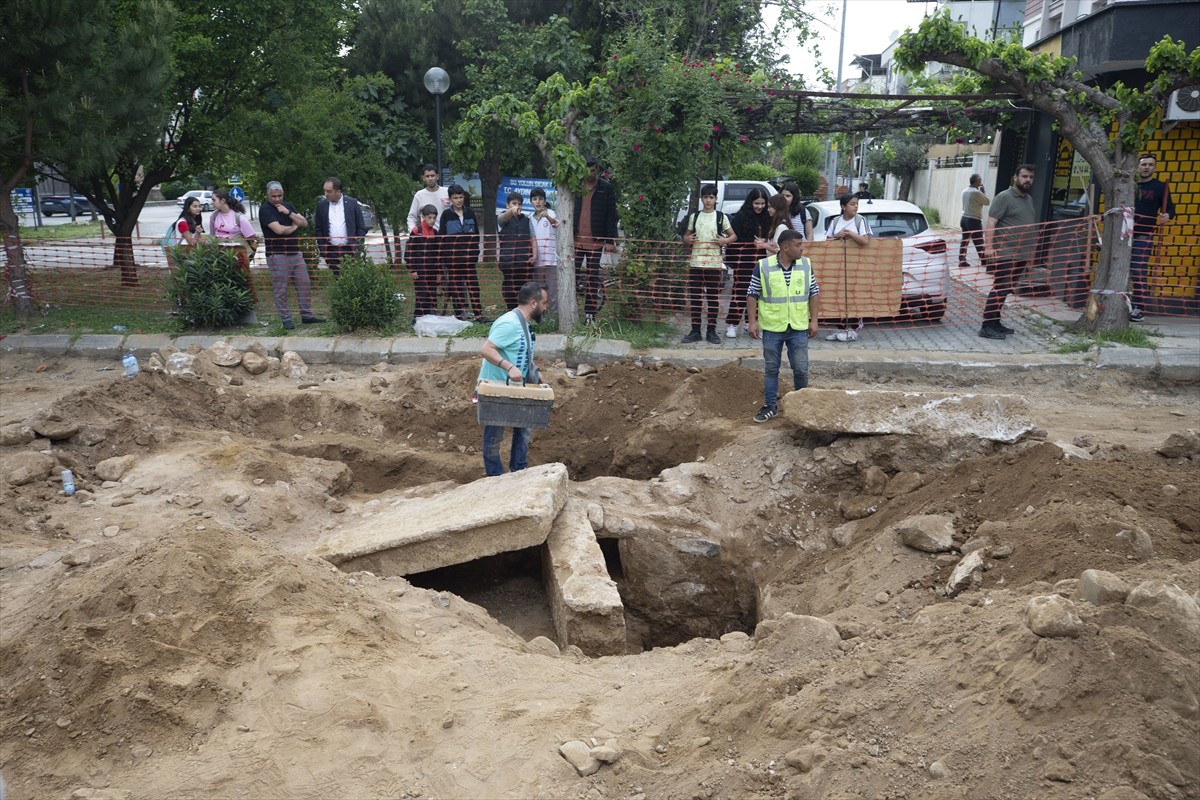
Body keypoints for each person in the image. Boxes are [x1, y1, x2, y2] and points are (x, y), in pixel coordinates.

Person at [477, 282, 550, 476]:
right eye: (544, 303)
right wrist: (508, 367)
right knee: (494, 438)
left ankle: (519, 471)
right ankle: (494, 477)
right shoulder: (509, 324)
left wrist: (536, 373)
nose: (546, 307)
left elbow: (521, 353)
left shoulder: (524, 324)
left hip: (517, 387)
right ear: (533, 303)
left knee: (524, 430)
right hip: (497, 389)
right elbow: (486, 349)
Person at [747, 230, 820, 424]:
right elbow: (752, 294)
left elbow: (814, 292)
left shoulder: (806, 265)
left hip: (797, 326)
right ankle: (771, 407)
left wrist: (814, 320)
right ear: (785, 247)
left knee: (801, 369)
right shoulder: (763, 266)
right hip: (772, 327)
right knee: (771, 369)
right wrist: (752, 322)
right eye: (798, 245)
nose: (802, 248)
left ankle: (802, 405)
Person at [979, 164, 1037, 340]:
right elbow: (991, 223)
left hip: (1021, 255)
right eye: (1024, 176)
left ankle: (995, 322)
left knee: (1006, 289)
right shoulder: (1004, 197)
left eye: (1031, 177)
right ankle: (987, 326)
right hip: (1005, 253)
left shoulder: (1028, 199)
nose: (1028, 180)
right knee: (1000, 287)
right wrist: (988, 248)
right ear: (1015, 177)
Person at [260, 181, 323, 330]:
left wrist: (288, 213)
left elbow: (305, 223)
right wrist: (294, 225)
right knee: (281, 288)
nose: (277, 199)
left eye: (279, 195)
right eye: (273, 196)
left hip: (295, 252)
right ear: (268, 195)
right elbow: (279, 230)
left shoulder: (289, 206)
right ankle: (286, 319)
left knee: (304, 284)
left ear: (283, 194)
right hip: (277, 254)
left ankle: (306, 315)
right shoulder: (265, 209)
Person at [680, 183, 737, 344]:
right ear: (701, 199)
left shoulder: (721, 217)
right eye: (705, 197)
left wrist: (724, 240)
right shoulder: (695, 217)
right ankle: (695, 330)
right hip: (696, 263)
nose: (708, 200)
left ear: (716, 199)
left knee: (713, 298)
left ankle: (711, 331)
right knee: (696, 298)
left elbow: (733, 236)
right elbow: (686, 236)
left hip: (714, 263)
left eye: (711, 197)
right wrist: (687, 239)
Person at [1128, 153, 1175, 322]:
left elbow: (1171, 208)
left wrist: (1167, 216)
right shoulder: (1128, 184)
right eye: (1143, 164)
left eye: (1150, 165)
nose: (1146, 167)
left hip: (1143, 235)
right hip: (1123, 235)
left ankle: (1138, 308)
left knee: (1138, 271)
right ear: (1137, 166)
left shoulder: (1160, 187)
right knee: (1118, 271)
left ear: (1154, 168)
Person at [573, 157, 619, 323]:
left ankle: (590, 314)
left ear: (597, 170)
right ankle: (570, 312)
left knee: (592, 277)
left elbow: (611, 215)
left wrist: (610, 240)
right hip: (576, 240)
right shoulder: (576, 186)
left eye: (593, 170)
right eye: (587, 170)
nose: (590, 174)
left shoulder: (605, 188)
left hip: (596, 241)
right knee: (572, 275)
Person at [824, 193, 873, 343]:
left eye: (857, 204)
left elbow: (865, 240)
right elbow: (827, 241)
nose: (855, 206)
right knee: (838, 296)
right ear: (843, 206)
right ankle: (840, 328)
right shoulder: (835, 221)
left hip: (856, 266)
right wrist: (838, 235)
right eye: (852, 204)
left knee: (853, 296)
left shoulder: (860, 221)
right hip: (838, 265)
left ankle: (853, 328)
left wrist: (851, 234)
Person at [724, 186, 772, 338]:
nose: (759, 207)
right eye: (756, 203)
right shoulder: (741, 217)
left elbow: (771, 237)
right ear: (750, 202)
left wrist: (765, 241)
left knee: (758, 292)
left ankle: (750, 323)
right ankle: (731, 324)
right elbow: (734, 240)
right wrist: (732, 261)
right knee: (740, 291)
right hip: (743, 260)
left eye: (762, 203)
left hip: (761, 260)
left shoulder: (768, 218)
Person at [439, 184, 486, 321]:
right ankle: (459, 314)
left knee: (473, 287)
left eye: (461, 197)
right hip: (453, 260)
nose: (459, 200)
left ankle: (478, 313)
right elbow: (442, 239)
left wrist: (474, 254)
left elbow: (476, 235)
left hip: (469, 259)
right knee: (456, 287)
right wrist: (446, 259)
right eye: (455, 198)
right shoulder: (446, 215)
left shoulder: (470, 213)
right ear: (450, 199)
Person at [209, 188, 260, 311]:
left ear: (222, 200)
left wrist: (249, 256)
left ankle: (248, 303)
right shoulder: (214, 216)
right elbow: (212, 236)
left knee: (242, 279)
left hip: (239, 256)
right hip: (221, 255)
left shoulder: (239, 217)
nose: (212, 202)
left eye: (213, 199)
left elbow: (252, 238)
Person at [315, 177, 368, 278]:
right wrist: (323, 249)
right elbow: (319, 229)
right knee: (338, 279)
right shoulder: (321, 206)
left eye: (329, 191)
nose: (326, 194)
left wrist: (358, 246)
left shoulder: (352, 203)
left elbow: (360, 226)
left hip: (350, 249)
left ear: (338, 191)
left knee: (353, 278)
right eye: (324, 190)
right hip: (332, 251)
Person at [496, 191, 537, 310]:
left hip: (524, 262)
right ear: (507, 205)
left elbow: (532, 238)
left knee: (525, 289)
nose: (517, 207)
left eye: (519, 204)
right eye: (514, 203)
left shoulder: (527, 220)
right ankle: (511, 310)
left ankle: (524, 311)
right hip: (508, 261)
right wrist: (511, 211)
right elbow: (504, 218)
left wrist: (534, 255)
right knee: (509, 289)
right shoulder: (501, 219)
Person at [407, 204, 440, 322]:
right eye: (429, 218)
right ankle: (417, 319)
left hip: (432, 270)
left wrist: (439, 272)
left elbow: (438, 254)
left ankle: (430, 318)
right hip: (420, 270)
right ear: (423, 217)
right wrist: (412, 269)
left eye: (434, 218)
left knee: (432, 294)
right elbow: (409, 251)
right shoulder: (416, 231)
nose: (432, 220)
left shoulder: (435, 233)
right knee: (422, 294)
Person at [529, 187, 559, 306]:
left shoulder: (551, 214)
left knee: (552, 292)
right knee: (539, 291)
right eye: (535, 199)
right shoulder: (530, 217)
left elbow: (556, 223)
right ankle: (540, 317)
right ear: (531, 202)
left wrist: (548, 217)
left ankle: (553, 318)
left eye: (541, 199)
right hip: (537, 260)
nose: (538, 202)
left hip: (551, 260)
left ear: (545, 201)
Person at [406, 164, 451, 232]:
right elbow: (411, 217)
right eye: (427, 176)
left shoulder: (447, 192)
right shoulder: (419, 195)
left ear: (437, 176)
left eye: (432, 175)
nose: (430, 179)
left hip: (446, 235)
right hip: (427, 237)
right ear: (423, 178)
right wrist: (414, 233)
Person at [959, 174, 990, 269]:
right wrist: (984, 192)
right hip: (973, 219)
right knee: (979, 242)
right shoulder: (976, 192)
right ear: (976, 181)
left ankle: (962, 260)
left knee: (965, 240)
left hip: (964, 218)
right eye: (980, 180)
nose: (981, 182)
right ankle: (985, 262)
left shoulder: (965, 191)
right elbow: (987, 202)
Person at [164, 197, 205, 267]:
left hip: (189, 253)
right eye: (195, 206)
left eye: (199, 206)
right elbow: (191, 243)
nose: (198, 208)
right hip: (184, 254)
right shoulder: (182, 223)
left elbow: (198, 241)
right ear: (188, 208)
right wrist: (198, 233)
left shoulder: (193, 221)